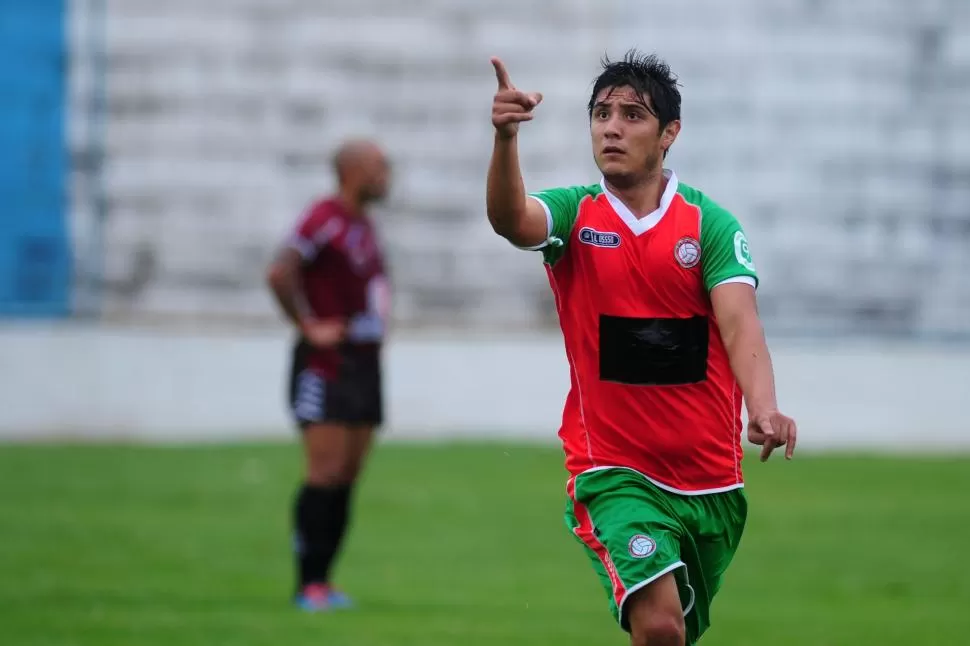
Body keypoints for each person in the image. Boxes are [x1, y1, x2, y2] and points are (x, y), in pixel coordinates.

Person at [485, 50, 798, 645]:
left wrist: (763, 406)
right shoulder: (575, 214)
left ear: (669, 133)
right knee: (659, 628)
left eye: (632, 114)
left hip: (711, 486)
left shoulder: (709, 225)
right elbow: (510, 220)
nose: (612, 126)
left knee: (676, 634)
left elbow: (740, 324)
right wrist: (505, 140)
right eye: (602, 113)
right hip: (614, 473)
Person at [266, 139, 392, 612]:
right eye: (380, 167)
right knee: (324, 472)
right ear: (354, 170)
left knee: (348, 475)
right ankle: (308, 584)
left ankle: (325, 581)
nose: (387, 176)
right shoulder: (324, 218)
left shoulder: (363, 224)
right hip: (327, 363)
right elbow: (280, 272)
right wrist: (307, 326)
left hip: (363, 365)